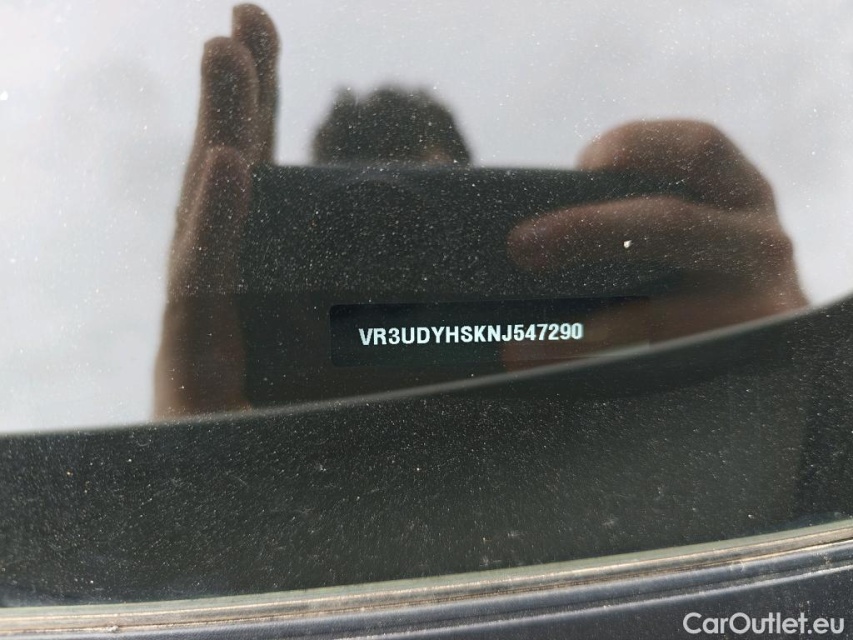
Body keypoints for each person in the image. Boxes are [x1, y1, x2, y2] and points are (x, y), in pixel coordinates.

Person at [154, 4, 807, 417]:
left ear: (492, 205)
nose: (401, 277)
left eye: (439, 215)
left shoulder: (602, 369)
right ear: (295, 237)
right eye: (357, 236)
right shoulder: (270, 432)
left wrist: (786, 358)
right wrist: (196, 425)